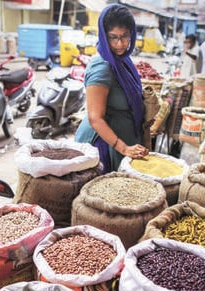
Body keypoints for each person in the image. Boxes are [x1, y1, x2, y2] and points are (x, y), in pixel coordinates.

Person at [74, 3, 149, 173]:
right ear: (103, 35)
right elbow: (95, 118)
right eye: (113, 37)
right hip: (104, 147)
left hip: (123, 142)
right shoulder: (102, 67)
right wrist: (123, 148)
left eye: (125, 36)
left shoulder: (123, 62)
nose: (120, 43)